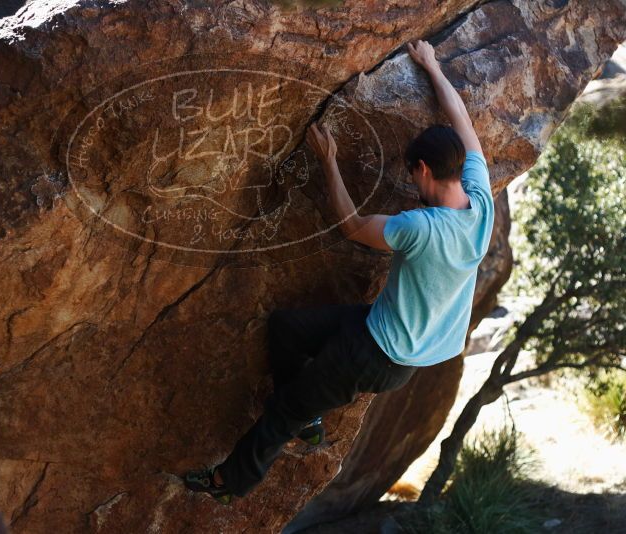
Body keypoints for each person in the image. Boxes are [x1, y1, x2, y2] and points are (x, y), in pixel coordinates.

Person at [182, 39, 494, 505]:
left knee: (284, 409)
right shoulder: (481, 200)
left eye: (413, 175)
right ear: (457, 168)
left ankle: (231, 483)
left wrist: (328, 162)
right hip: (392, 337)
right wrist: (431, 65)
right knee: (287, 328)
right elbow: (463, 122)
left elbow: (351, 227)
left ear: (424, 169)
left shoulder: (421, 227)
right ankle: (309, 421)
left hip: (376, 353)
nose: (412, 184)